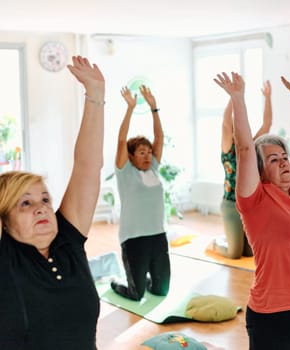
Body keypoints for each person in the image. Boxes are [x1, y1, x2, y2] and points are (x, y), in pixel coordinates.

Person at [214, 72, 290, 349]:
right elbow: (243, 148)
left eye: (284, 157)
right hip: (274, 315)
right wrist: (238, 99)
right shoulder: (256, 201)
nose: (284, 163)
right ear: (261, 171)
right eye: (274, 160)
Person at [0, 56, 105, 349]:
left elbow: (87, 167)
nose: (41, 207)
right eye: (24, 203)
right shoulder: (6, 256)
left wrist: (95, 94)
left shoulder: (68, 242)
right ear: (4, 221)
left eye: (45, 199)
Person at [110, 85, 170, 301]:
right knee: (136, 295)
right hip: (134, 238)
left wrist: (154, 108)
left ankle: (140, 275)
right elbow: (120, 140)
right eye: (141, 152)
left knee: (161, 290)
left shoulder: (153, 168)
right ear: (131, 156)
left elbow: (159, 137)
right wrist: (130, 109)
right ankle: (117, 282)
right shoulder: (125, 173)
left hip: (157, 236)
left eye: (149, 152)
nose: (147, 156)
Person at [208, 81, 272, 259]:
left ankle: (231, 238)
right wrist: (233, 97)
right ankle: (216, 243)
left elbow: (267, 125)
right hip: (231, 205)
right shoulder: (228, 149)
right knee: (234, 253)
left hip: (249, 206)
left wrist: (267, 97)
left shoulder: (251, 146)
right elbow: (226, 124)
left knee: (250, 252)